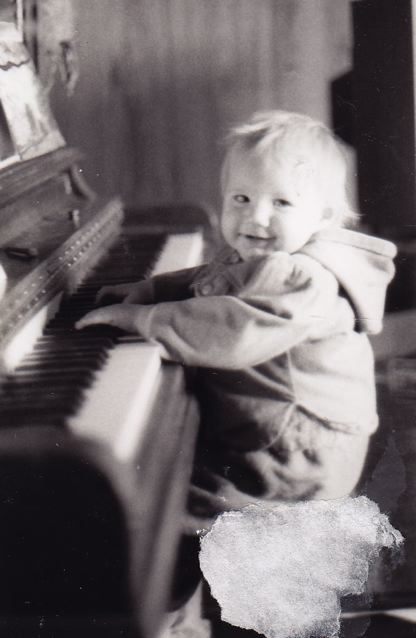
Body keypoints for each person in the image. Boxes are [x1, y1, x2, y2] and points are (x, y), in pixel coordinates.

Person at [76, 109, 396, 528]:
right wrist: (153, 291)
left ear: (323, 217)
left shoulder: (303, 277)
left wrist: (144, 320)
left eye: (281, 202)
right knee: (169, 474)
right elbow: (210, 279)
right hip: (282, 431)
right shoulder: (265, 256)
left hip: (299, 453)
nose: (255, 217)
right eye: (241, 199)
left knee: (176, 504)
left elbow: (234, 331)